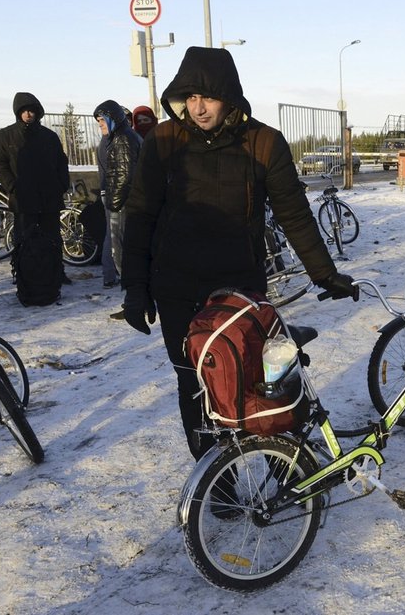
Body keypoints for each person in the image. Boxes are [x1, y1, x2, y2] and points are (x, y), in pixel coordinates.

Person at [121, 46, 357, 460]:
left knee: (246, 381)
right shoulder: (162, 140)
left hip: (239, 289)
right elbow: (140, 216)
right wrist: (135, 289)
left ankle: (258, 457)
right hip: (176, 286)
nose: (197, 107)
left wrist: (324, 273)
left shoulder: (264, 143)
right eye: (190, 97)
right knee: (193, 384)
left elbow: (295, 216)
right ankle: (221, 479)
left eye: (207, 97)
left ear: (228, 96)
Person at [0, 92, 70, 288]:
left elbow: (61, 163)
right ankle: (24, 275)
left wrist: (61, 185)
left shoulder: (49, 137)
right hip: (24, 199)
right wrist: (13, 185)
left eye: (32, 110)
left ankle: (57, 273)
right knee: (24, 240)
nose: (28, 114)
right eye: (24, 110)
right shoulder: (5, 136)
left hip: (49, 197)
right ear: (17, 113)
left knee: (53, 238)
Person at [93, 100, 143, 311]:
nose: (100, 126)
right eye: (98, 122)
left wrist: (113, 204)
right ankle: (133, 298)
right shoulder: (122, 137)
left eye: (102, 121)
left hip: (122, 204)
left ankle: (134, 300)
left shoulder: (122, 139)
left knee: (120, 252)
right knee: (123, 251)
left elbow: (124, 176)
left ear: (112, 118)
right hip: (124, 202)